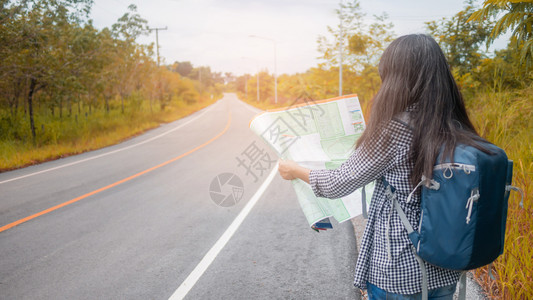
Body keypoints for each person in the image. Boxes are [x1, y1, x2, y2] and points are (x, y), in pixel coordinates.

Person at [278, 34, 488, 299]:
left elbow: (337, 183)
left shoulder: (394, 130)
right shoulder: (455, 125)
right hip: (446, 266)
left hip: (400, 269)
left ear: (396, 78)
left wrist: (294, 170)